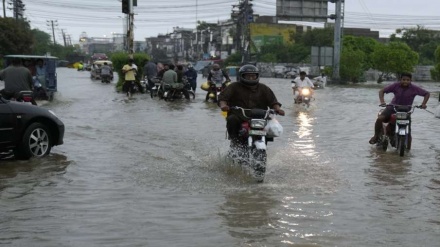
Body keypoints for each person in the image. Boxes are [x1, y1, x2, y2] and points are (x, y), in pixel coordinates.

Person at [218, 64, 285, 147]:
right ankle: (235, 141)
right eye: (248, 76)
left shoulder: (263, 88)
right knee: (232, 119)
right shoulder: (234, 86)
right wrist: (223, 106)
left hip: (259, 116)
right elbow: (223, 98)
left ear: (257, 76)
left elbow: (273, 101)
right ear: (242, 76)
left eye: (253, 76)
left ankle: (264, 140)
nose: (250, 78)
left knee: (269, 127)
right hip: (239, 115)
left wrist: (278, 109)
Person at [369, 72, 430, 145]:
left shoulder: (414, 88)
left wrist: (423, 104)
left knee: (409, 132)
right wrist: (382, 101)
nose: (405, 81)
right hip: (392, 107)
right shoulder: (395, 85)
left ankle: (408, 152)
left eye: (408, 80)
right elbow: (382, 91)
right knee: (380, 118)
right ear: (400, 79)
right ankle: (376, 136)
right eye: (404, 79)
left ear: (411, 80)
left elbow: (427, 93)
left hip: (406, 110)